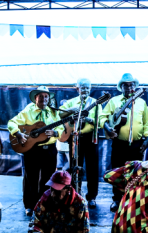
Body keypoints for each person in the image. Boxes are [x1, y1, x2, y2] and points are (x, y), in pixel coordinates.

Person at [8, 86, 64, 216]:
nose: (44, 99)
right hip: (32, 150)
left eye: (46, 96)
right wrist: (18, 134)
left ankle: (44, 204)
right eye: (40, 96)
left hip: (49, 150)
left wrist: (56, 132)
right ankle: (29, 205)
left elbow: (61, 127)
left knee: (48, 178)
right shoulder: (28, 111)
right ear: (35, 98)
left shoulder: (53, 112)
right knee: (30, 178)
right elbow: (12, 122)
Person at [99, 73, 148, 212]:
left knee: (136, 173)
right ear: (121, 87)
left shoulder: (142, 102)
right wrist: (107, 128)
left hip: (136, 144)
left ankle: (132, 200)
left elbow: (146, 123)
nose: (129, 87)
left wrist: (147, 138)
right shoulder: (114, 101)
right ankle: (117, 200)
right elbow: (102, 117)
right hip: (119, 144)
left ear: (135, 86)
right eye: (126, 85)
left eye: (131, 85)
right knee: (118, 172)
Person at [59, 78, 102, 209]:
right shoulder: (71, 102)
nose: (85, 90)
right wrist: (72, 110)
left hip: (90, 138)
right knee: (74, 166)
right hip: (74, 137)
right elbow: (60, 114)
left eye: (87, 88)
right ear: (77, 88)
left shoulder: (96, 103)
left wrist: (88, 118)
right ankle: (74, 194)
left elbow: (99, 121)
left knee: (92, 168)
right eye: (82, 87)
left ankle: (92, 197)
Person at [56, 99, 70, 171]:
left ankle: (61, 173)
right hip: (61, 144)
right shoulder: (58, 117)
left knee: (68, 164)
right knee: (60, 164)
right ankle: (60, 174)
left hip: (66, 144)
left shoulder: (70, 118)